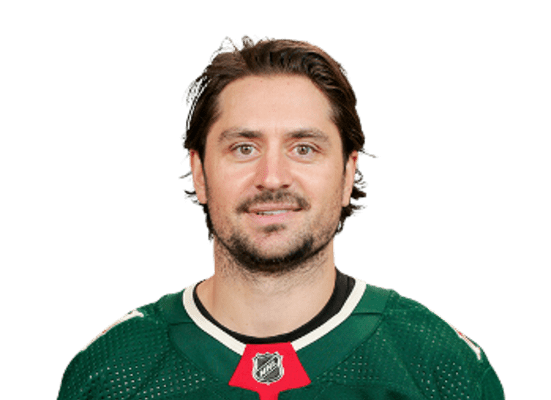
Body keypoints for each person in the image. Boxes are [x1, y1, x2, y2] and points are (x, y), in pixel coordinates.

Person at [57, 35, 505, 400]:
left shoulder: (438, 367)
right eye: (243, 148)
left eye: (304, 148)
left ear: (348, 173)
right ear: (200, 172)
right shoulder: (113, 371)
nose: (272, 177)